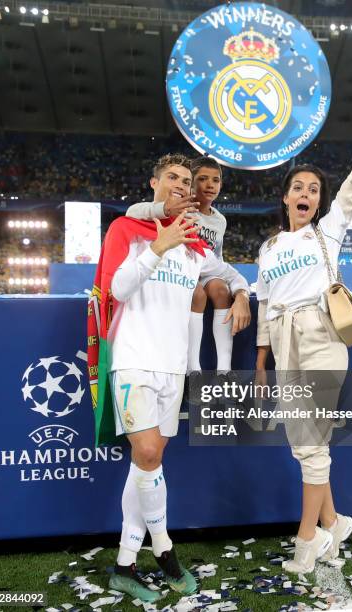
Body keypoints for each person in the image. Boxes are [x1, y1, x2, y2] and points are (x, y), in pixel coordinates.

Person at [88, 153, 251, 603]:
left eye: (186, 179)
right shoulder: (127, 230)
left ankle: (123, 564)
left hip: (172, 368)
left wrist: (240, 295)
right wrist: (160, 244)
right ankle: (164, 550)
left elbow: (230, 273)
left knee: (145, 465)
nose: (181, 185)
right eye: (173, 178)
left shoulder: (196, 245)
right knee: (146, 455)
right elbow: (117, 289)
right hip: (133, 361)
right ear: (155, 182)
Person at [255, 89, 352, 574]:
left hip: (321, 336)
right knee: (303, 443)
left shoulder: (329, 230)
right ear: (285, 196)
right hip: (281, 341)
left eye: (314, 190)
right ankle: (335, 522)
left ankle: (306, 539)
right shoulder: (269, 247)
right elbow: (262, 304)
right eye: (299, 188)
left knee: (312, 442)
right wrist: (261, 363)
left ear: (318, 202)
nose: (306, 195)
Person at [126, 156, 238, 376]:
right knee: (196, 293)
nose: (209, 185)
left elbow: (217, 254)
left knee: (220, 289)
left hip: (206, 265)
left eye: (215, 180)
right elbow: (133, 211)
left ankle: (224, 370)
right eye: (202, 179)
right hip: (184, 268)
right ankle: (193, 368)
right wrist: (165, 208)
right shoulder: (182, 208)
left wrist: (237, 287)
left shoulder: (220, 220)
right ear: (192, 183)